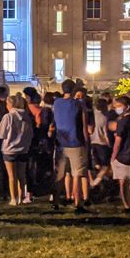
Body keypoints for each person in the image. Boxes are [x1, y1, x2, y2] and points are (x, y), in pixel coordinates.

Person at [51, 79, 90, 212]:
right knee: (77, 175)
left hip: (61, 142)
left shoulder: (56, 103)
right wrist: (87, 143)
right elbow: (84, 126)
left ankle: (55, 201)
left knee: (60, 175)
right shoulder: (79, 104)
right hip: (76, 142)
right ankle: (78, 202)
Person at [0, 93, 34, 205]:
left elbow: (1, 134)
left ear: (10, 104)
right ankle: (22, 196)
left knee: (12, 176)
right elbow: (30, 133)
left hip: (9, 149)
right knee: (21, 175)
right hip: (23, 149)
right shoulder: (26, 117)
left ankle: (13, 198)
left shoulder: (8, 117)